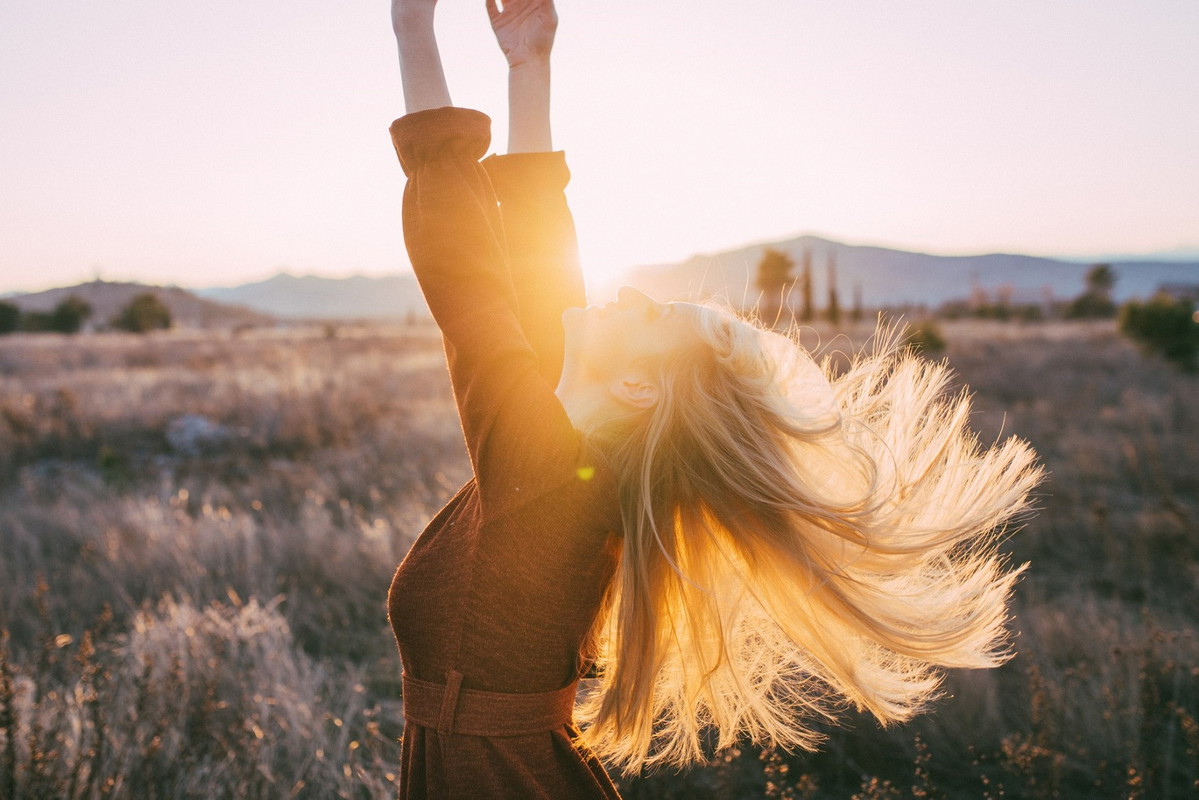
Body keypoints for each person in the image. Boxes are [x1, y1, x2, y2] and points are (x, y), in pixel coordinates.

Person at [385, 1, 1042, 798]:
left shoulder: (549, 476)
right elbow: (532, 264)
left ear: (635, 386)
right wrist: (530, 69)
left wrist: (411, 25)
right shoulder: (564, 466)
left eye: (649, 317)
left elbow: (467, 279)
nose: (626, 293)